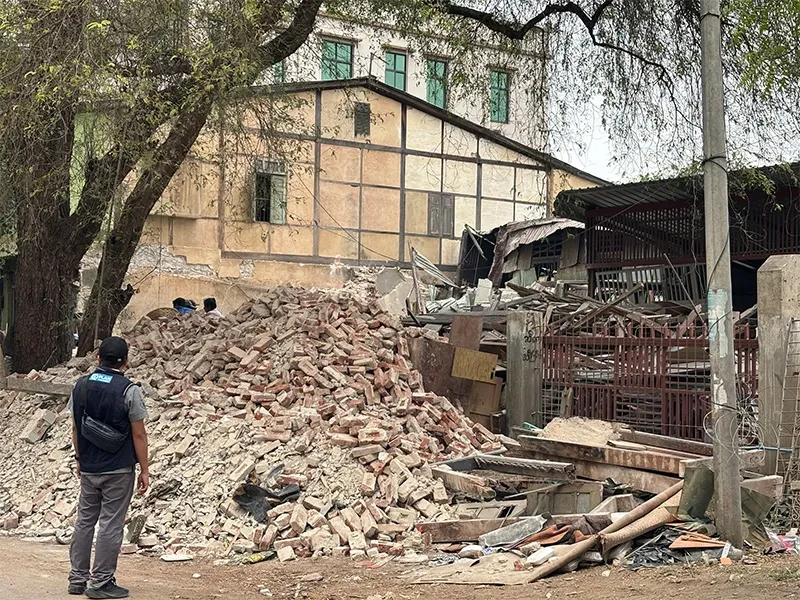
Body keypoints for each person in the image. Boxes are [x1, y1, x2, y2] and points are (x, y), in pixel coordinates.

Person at [68, 336, 149, 599]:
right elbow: (139, 434)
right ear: (126, 361)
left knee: (85, 521)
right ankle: (101, 582)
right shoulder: (129, 391)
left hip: (89, 467)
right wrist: (145, 469)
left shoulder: (80, 386)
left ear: (98, 358)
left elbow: (75, 427)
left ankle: (77, 579)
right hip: (118, 469)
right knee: (111, 524)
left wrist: (79, 459)